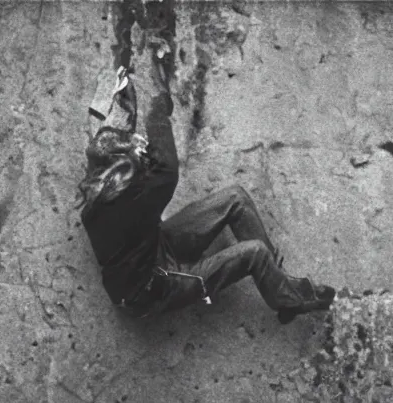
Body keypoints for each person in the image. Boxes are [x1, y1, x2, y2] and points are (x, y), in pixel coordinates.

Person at [78, 64, 335, 322]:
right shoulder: (133, 203)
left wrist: (125, 99)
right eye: (133, 152)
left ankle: (279, 283)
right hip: (153, 288)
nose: (138, 146)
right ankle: (288, 299)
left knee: (236, 198)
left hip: (156, 247)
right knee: (254, 252)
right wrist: (159, 101)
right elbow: (167, 169)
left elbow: (107, 141)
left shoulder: (101, 184)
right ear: (121, 176)